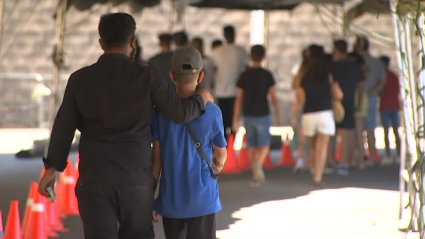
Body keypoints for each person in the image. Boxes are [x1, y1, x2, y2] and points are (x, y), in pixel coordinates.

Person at [38, 13, 213, 239]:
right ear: (132, 42)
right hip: (136, 181)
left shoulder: (79, 79)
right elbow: (179, 113)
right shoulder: (148, 76)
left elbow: (64, 127)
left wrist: (52, 168)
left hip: (94, 180)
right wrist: (201, 98)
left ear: (101, 43)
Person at [151, 47, 227, 239]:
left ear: (171, 75)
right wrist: (218, 165)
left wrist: (150, 199)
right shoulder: (212, 112)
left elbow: (156, 162)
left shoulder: (160, 113)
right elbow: (221, 152)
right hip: (203, 201)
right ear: (201, 76)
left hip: (171, 202)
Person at [292, 45, 341, 185]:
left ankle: (314, 169)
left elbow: (300, 100)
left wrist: (294, 117)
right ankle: (318, 177)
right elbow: (337, 93)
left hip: (308, 115)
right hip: (325, 113)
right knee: (322, 147)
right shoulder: (328, 75)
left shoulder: (304, 77)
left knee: (313, 147)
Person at [232, 45, 281, 187]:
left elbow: (239, 99)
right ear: (264, 56)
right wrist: (278, 114)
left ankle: (255, 174)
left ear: (250, 56)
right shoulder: (267, 74)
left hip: (248, 113)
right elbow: (273, 97)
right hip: (263, 112)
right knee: (265, 144)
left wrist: (235, 118)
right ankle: (258, 166)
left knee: (251, 144)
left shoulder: (244, 75)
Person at [331, 39, 365, 174]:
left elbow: (330, 83)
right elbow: (361, 86)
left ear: (336, 50)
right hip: (350, 101)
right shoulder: (355, 66)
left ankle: (329, 161)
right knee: (348, 133)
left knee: (330, 134)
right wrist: (359, 102)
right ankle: (344, 163)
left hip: (334, 102)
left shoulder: (332, 66)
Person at [354, 35, 387, 164]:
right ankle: (372, 157)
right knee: (370, 128)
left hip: (357, 97)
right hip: (371, 97)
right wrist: (371, 92)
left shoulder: (356, 61)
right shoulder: (377, 63)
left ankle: (359, 157)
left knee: (357, 129)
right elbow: (382, 82)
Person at [212, 25, 249, 138]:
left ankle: (222, 148)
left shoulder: (216, 52)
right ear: (235, 34)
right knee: (234, 122)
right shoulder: (240, 51)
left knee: (221, 122)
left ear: (223, 35)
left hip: (220, 91)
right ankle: (230, 148)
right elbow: (246, 69)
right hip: (236, 91)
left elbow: (212, 70)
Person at [379, 55, 401, 164]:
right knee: (396, 131)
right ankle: (398, 154)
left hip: (385, 106)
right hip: (394, 105)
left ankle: (388, 154)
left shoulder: (382, 77)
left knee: (386, 131)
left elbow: (381, 91)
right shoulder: (394, 76)